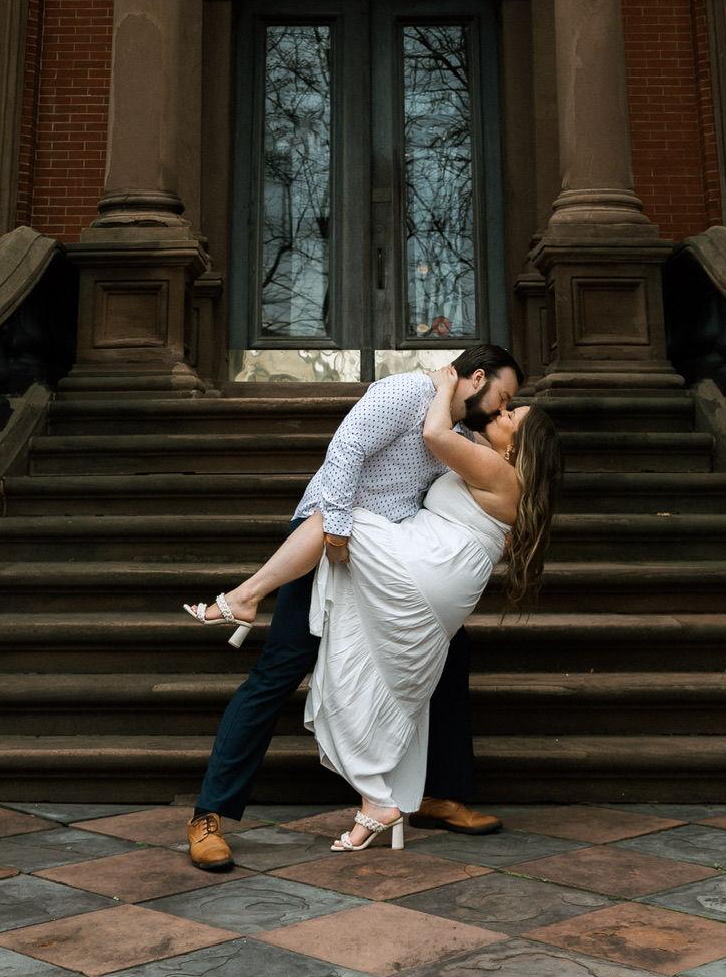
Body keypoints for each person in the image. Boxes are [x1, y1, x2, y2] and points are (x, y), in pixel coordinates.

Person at [184, 354, 563, 862]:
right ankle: (209, 816)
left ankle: (435, 794)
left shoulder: (464, 434)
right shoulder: (405, 393)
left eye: (509, 408)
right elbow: (345, 453)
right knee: (279, 670)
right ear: (478, 379)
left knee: (451, 661)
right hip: (334, 543)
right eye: (504, 397)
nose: (501, 408)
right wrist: (338, 531)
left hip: (393, 562)